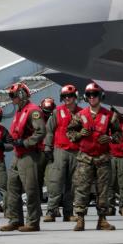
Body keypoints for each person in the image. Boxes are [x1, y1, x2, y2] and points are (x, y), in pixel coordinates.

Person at [66, 83, 120, 231]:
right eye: (89, 95)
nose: (92, 97)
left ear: (100, 96)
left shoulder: (109, 116)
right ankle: (80, 219)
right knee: (81, 189)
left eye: (94, 94)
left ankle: (102, 220)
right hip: (85, 158)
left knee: (103, 190)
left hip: (103, 158)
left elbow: (118, 135)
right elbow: (69, 133)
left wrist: (109, 138)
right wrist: (79, 134)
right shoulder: (80, 115)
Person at [0, 82, 45, 232]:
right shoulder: (20, 111)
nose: (11, 99)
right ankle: (15, 220)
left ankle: (33, 222)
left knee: (30, 189)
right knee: (12, 187)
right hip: (18, 154)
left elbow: (40, 132)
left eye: (13, 96)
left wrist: (25, 143)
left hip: (28, 154)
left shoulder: (33, 111)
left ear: (21, 95)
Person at [44, 85, 80, 222]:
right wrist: (47, 147)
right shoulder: (57, 112)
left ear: (75, 97)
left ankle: (68, 213)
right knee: (55, 182)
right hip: (60, 150)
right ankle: (51, 211)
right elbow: (49, 130)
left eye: (69, 96)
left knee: (72, 184)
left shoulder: (82, 113)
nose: (67, 99)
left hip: (76, 152)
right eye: (64, 96)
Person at [38, 97, 57, 189]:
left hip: (52, 150)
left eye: (50, 112)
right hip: (39, 151)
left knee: (53, 176)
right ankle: (39, 197)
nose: (48, 114)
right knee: (38, 176)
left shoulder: (56, 118)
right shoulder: (36, 118)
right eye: (46, 112)